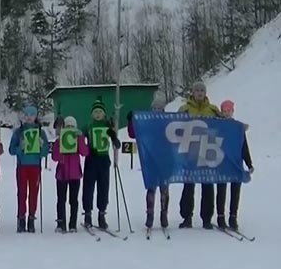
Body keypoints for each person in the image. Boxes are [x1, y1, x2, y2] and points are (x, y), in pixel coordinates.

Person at [178, 82, 221, 229]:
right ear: (192, 92)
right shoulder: (184, 109)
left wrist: (239, 127)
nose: (200, 92)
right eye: (197, 90)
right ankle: (186, 217)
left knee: (208, 186)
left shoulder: (213, 110)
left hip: (207, 152)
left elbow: (224, 127)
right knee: (188, 185)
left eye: (202, 90)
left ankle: (207, 218)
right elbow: (175, 126)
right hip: (189, 152)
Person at [127, 94, 169, 230]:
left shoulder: (168, 121)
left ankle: (164, 214)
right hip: (151, 159)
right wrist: (131, 120)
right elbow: (134, 133)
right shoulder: (148, 121)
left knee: (164, 188)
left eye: (160, 108)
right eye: (155, 108)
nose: (157, 110)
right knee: (151, 188)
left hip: (165, 159)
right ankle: (149, 214)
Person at [81, 97, 121, 229]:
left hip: (104, 160)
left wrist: (115, 139)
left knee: (103, 188)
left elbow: (113, 135)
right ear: (92, 114)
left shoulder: (107, 125)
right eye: (95, 112)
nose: (98, 114)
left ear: (103, 113)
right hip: (92, 159)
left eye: (100, 112)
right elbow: (80, 135)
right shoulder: (89, 125)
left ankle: (102, 213)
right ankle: (87, 213)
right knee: (88, 187)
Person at [8, 106, 50, 233]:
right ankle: (21, 218)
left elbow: (46, 151)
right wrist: (20, 148)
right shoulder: (19, 132)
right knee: (21, 193)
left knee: (33, 193)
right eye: (27, 114)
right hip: (22, 166)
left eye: (32, 114)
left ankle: (31, 218)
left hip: (35, 166)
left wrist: (42, 146)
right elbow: (11, 150)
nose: (29, 117)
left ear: (36, 116)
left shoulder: (41, 132)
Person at [215, 100, 253, 230]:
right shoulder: (218, 126)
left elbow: (244, 147)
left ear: (232, 111)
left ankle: (233, 217)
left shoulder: (238, 128)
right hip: (222, 162)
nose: (226, 113)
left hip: (236, 163)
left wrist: (249, 163)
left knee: (235, 191)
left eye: (228, 111)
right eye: (224, 111)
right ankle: (220, 217)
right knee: (221, 190)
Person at [51, 116, 89, 232]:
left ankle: (72, 224)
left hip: (74, 174)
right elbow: (54, 157)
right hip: (62, 173)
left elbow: (85, 152)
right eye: (68, 127)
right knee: (61, 199)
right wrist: (59, 144)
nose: (70, 129)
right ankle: (60, 223)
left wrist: (80, 138)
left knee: (74, 200)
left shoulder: (77, 139)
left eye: (72, 127)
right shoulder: (59, 141)